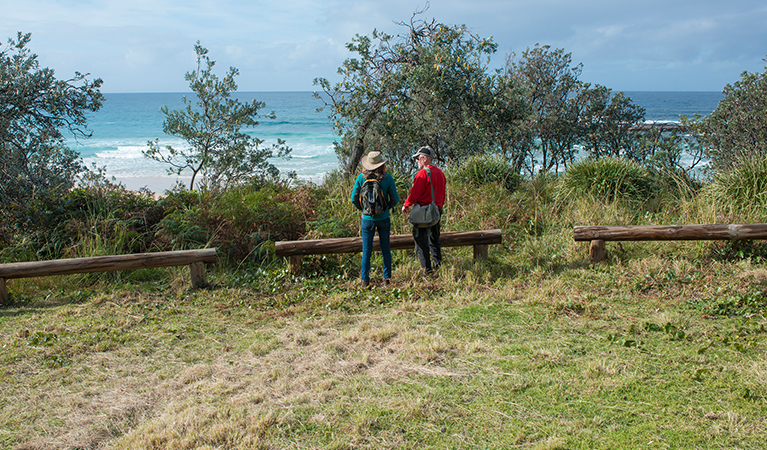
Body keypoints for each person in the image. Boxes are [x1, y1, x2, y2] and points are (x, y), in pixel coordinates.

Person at [351, 151, 400, 288]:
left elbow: (353, 199)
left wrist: (363, 210)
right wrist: (386, 208)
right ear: (381, 165)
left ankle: (365, 281)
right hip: (383, 218)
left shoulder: (361, 178)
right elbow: (395, 199)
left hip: (367, 220)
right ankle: (386, 280)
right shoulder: (388, 178)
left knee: (366, 250)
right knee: (385, 249)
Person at [401, 146, 446, 275]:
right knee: (434, 239)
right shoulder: (440, 173)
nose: (417, 161)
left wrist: (406, 204)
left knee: (420, 240)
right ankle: (438, 265)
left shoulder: (422, 173)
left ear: (424, 159)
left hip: (423, 212)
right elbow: (442, 193)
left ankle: (427, 269)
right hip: (437, 210)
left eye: (418, 159)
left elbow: (415, 193)